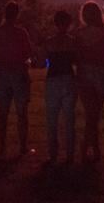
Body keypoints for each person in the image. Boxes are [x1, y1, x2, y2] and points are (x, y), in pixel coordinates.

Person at [0, 0, 33, 159]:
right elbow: (28, 52)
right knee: (21, 112)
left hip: (2, 74)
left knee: (2, 112)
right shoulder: (20, 32)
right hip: (18, 73)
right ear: (17, 14)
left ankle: (2, 147)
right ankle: (23, 147)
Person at [75, 0, 104, 163]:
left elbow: (77, 55)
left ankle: (87, 148)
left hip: (85, 73)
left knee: (91, 114)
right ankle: (91, 148)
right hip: (102, 73)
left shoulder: (79, 33)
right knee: (94, 114)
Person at [44, 10, 79, 164]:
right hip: (68, 79)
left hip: (52, 80)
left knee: (52, 119)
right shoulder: (72, 42)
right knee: (69, 119)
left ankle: (53, 154)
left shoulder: (49, 42)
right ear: (68, 24)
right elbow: (77, 61)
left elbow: (41, 61)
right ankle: (70, 154)